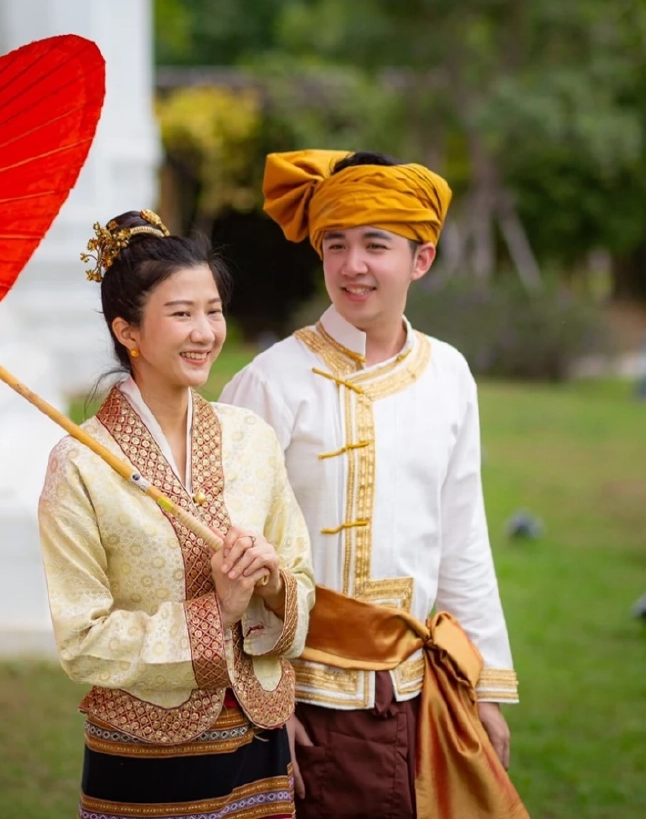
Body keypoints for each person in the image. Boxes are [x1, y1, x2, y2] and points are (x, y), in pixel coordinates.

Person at [221, 151, 527, 818]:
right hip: (305, 711)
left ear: (421, 258)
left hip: (422, 700)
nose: (353, 264)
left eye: (375, 244)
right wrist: (266, 708)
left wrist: (486, 688)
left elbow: (463, 537)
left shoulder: (448, 374)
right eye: (336, 244)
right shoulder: (268, 383)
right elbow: (221, 560)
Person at [38, 209, 316, 819]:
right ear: (129, 332)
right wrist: (217, 611)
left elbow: (298, 576)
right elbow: (82, 641)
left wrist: (270, 584)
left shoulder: (251, 439)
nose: (206, 331)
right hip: (145, 761)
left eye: (212, 310)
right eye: (181, 313)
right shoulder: (80, 465)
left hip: (258, 743)